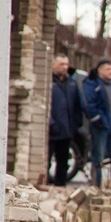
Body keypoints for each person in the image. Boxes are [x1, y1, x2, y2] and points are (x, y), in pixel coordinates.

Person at [48, 55, 82, 186]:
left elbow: (77, 106)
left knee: (63, 162)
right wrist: (51, 123)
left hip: (67, 130)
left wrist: (75, 125)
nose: (65, 67)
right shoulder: (50, 82)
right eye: (61, 64)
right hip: (53, 130)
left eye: (66, 64)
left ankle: (60, 187)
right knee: (47, 161)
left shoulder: (71, 83)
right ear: (53, 65)